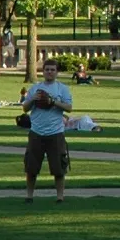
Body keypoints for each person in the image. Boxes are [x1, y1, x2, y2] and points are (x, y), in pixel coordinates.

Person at [22, 59, 75, 203]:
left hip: (56, 132)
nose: (49, 72)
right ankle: (29, 196)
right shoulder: (35, 88)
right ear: (43, 71)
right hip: (36, 132)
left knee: (59, 168)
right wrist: (33, 99)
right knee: (31, 168)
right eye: (47, 70)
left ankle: (60, 197)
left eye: (52, 70)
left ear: (57, 72)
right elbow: (25, 108)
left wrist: (53, 101)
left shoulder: (62, 89)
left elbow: (69, 107)